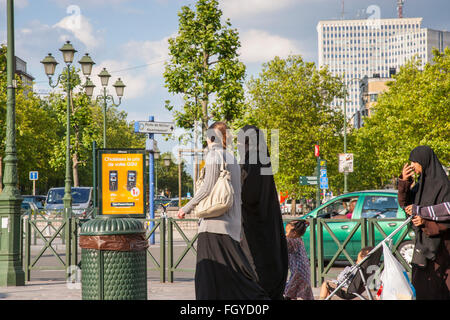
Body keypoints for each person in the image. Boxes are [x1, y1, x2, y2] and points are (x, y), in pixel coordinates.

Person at [177, 121, 268, 300]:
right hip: (230, 226)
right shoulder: (232, 158)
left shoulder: (214, 156)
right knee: (233, 277)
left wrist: (186, 208)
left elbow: (207, 187)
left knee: (209, 278)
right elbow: (238, 195)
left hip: (213, 224)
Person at [238, 125, 289, 300]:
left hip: (253, 226)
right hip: (268, 222)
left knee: (256, 268)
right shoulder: (263, 158)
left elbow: (248, 194)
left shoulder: (251, 160)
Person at [397, 145, 450, 300]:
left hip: (442, 252)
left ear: (424, 161)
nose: (412, 165)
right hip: (423, 250)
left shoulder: (444, 186)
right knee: (420, 290)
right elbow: (407, 206)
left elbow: (447, 216)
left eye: (414, 161)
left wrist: (426, 223)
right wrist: (404, 182)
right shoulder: (421, 185)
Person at [283, 220, 314, 300]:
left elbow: (282, 246)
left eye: (287, 232)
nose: (286, 234)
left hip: (298, 270)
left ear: (294, 233)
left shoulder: (292, 240)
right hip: (303, 270)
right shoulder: (298, 239)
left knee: (289, 292)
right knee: (296, 291)